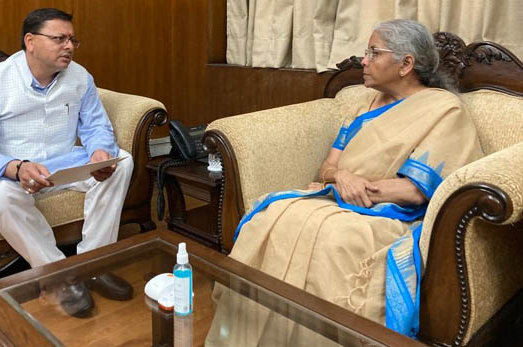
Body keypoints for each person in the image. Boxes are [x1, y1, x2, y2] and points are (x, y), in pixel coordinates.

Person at [205, 19, 484, 345]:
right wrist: (342, 178)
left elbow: (415, 190)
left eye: (373, 52)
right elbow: (328, 167)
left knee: (336, 240)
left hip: (392, 214)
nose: (363, 61)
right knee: (271, 216)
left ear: (406, 64)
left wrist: (357, 188)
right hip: (337, 195)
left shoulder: (444, 110)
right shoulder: (364, 105)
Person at [0, 8, 134, 318]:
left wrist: (100, 151)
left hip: (62, 163)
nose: (68, 46)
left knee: (121, 161)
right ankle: (58, 275)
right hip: (10, 172)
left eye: (72, 39)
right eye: (59, 39)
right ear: (30, 41)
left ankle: (94, 264)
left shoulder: (80, 76)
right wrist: (17, 167)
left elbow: (96, 127)